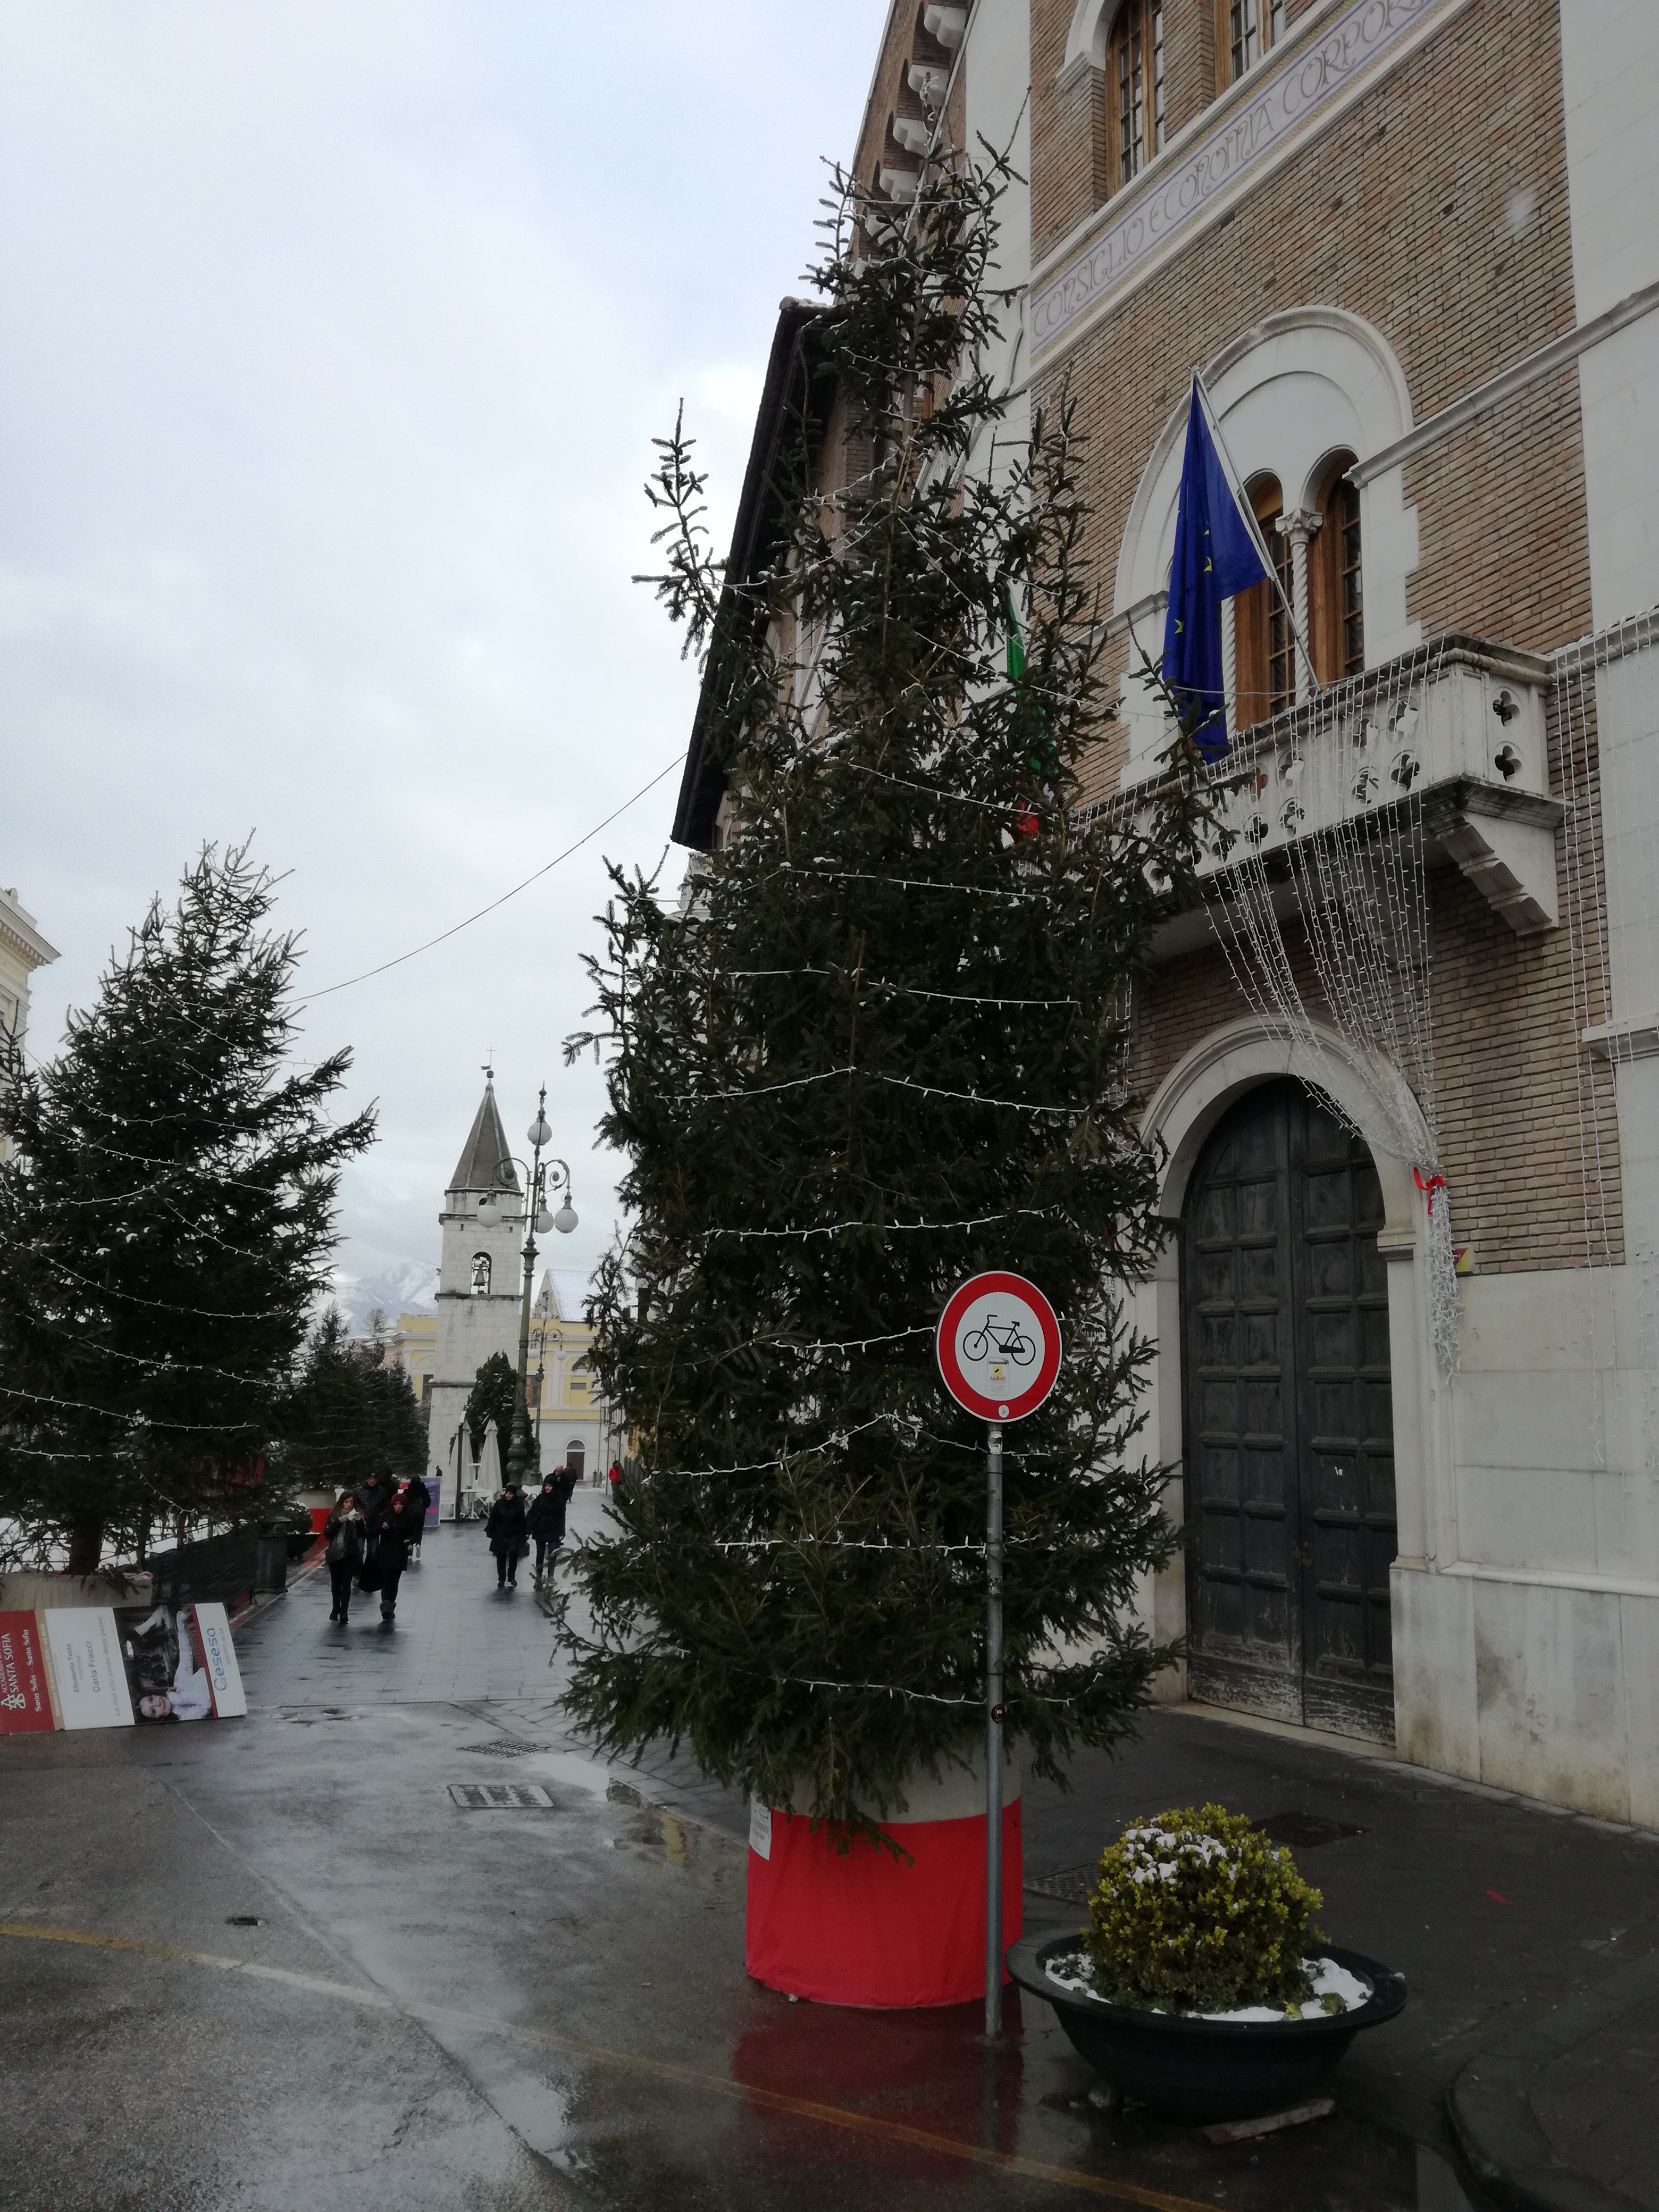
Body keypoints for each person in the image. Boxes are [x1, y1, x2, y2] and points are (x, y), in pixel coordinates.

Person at [371, 1485, 423, 1624]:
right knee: (387, 1581)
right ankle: (386, 1607)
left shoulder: (409, 1518)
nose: (398, 1507)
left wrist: (410, 1540)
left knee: (395, 1581)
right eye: (396, 1504)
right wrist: (383, 1528)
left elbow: (416, 1533)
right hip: (386, 1553)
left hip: (400, 1553)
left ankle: (391, 1605)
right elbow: (375, 1531)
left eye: (400, 1504)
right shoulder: (385, 1516)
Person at [526, 1468, 574, 1586]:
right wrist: (528, 1528)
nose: (547, 1488)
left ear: (554, 1487)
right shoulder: (540, 1498)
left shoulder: (559, 1499)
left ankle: (551, 1576)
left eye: (550, 1486)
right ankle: (539, 1576)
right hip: (540, 1528)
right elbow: (532, 1513)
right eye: (546, 1486)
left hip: (554, 1529)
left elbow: (562, 1516)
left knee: (553, 1553)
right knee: (540, 1554)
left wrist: (562, 1531)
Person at [324, 1490, 365, 1623]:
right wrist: (339, 1522)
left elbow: (362, 1534)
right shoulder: (333, 1515)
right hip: (336, 1553)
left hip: (351, 1553)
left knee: (346, 1583)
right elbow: (327, 1533)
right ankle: (336, 1608)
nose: (349, 1505)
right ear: (341, 1502)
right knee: (336, 1583)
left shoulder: (357, 1516)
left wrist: (359, 1522)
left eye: (351, 1502)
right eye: (346, 1502)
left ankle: (344, 1612)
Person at [485, 1483, 528, 1590]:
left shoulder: (519, 1505)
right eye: (507, 1493)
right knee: (501, 1556)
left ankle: (512, 1577)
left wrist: (522, 1535)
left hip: (514, 1533)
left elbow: (521, 1521)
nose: (508, 1496)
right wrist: (491, 1531)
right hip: (500, 1533)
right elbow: (493, 1518)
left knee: (514, 1555)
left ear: (514, 1494)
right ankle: (501, 1579)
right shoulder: (499, 1504)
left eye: (510, 1494)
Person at [401, 1470, 431, 1563]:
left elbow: (404, 1501)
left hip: (410, 1515)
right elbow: (428, 1502)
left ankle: (410, 1553)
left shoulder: (408, 1491)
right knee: (419, 1530)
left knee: (410, 1532)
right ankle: (418, 1544)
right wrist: (423, 1508)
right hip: (421, 1514)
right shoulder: (424, 1490)